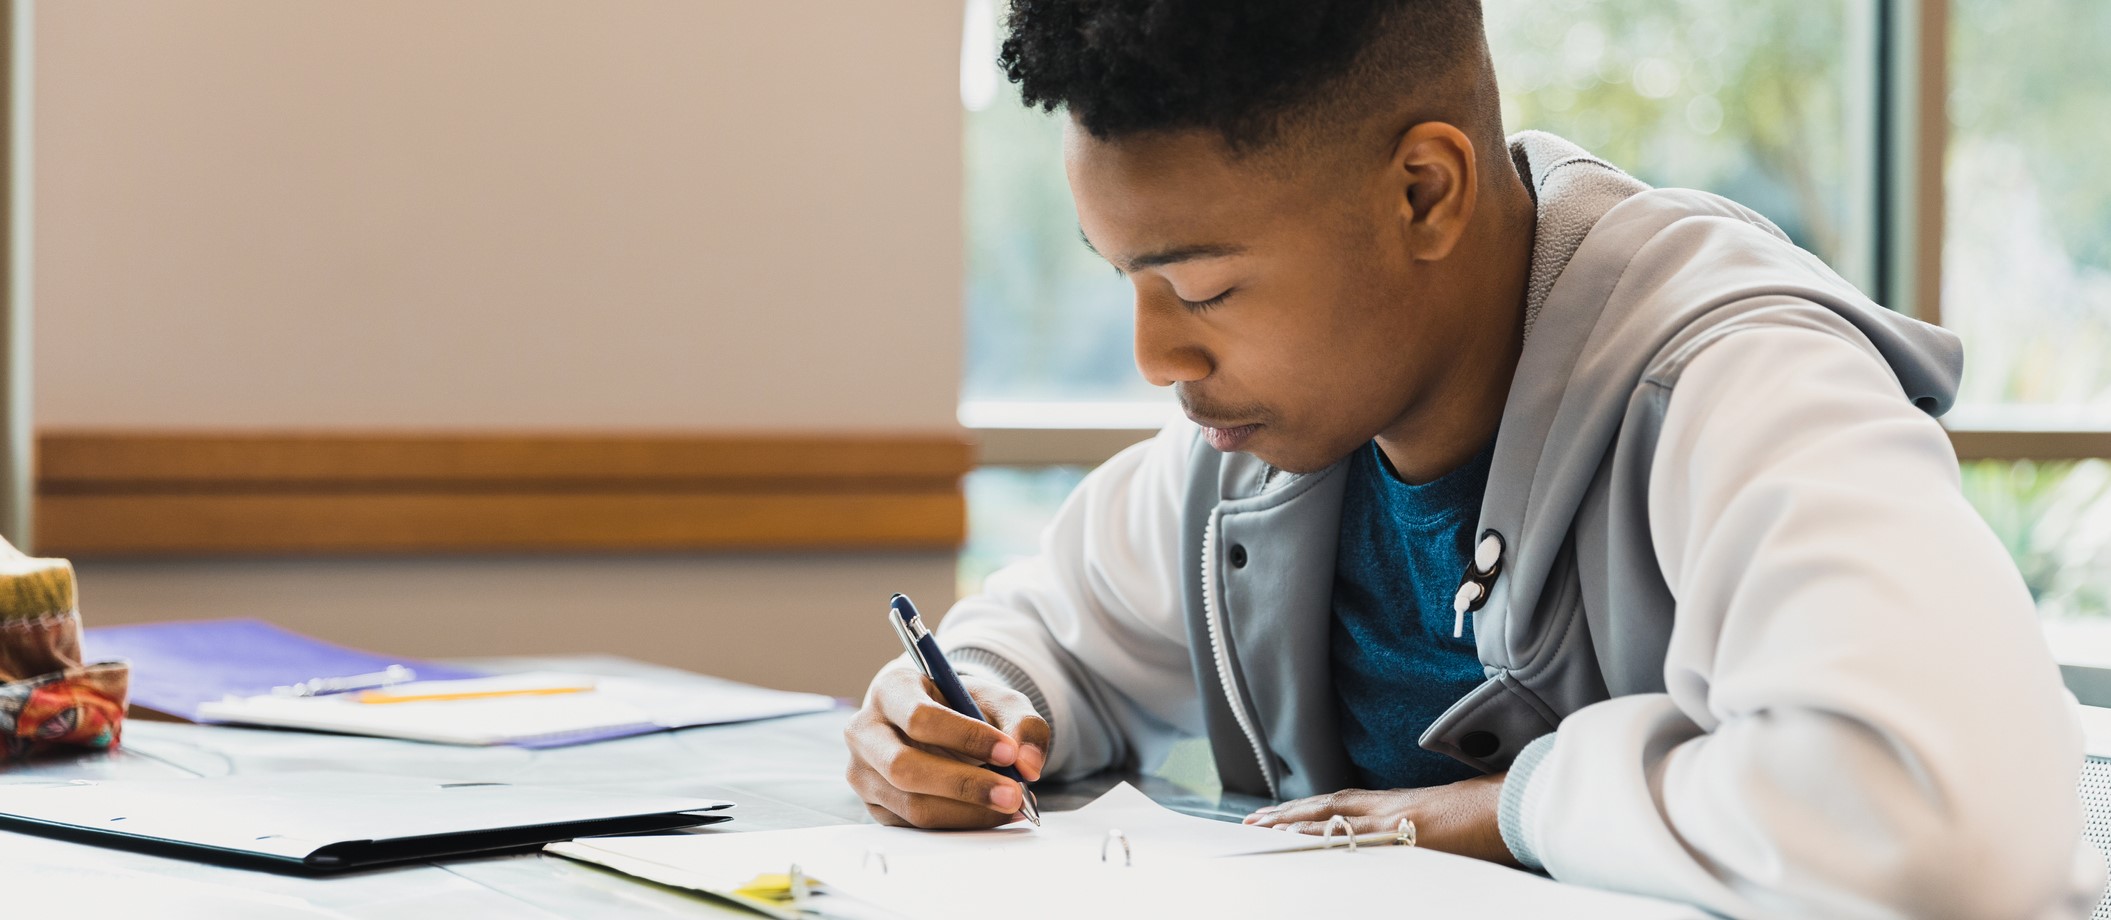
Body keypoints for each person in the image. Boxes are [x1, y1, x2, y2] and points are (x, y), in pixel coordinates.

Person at [842, 0, 2100, 915]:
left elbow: (1952, 829)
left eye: (1204, 287)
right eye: (1122, 276)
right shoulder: (1271, 437)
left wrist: (1513, 809)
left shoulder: (1738, 385)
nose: (1155, 355)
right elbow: (1049, 635)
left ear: (1424, 194)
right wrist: (967, 707)